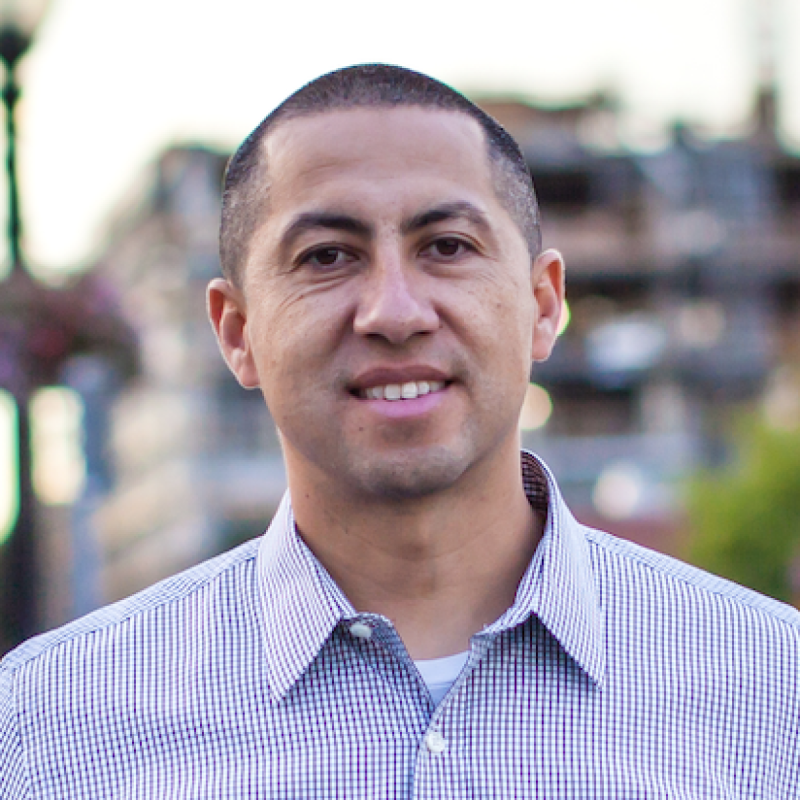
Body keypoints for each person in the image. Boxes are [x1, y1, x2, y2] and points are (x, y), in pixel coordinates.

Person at [1, 64, 798, 798]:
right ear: (237, 332)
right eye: (326, 257)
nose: (393, 312)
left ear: (544, 304)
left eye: (447, 247)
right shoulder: (52, 728)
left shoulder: (772, 691)